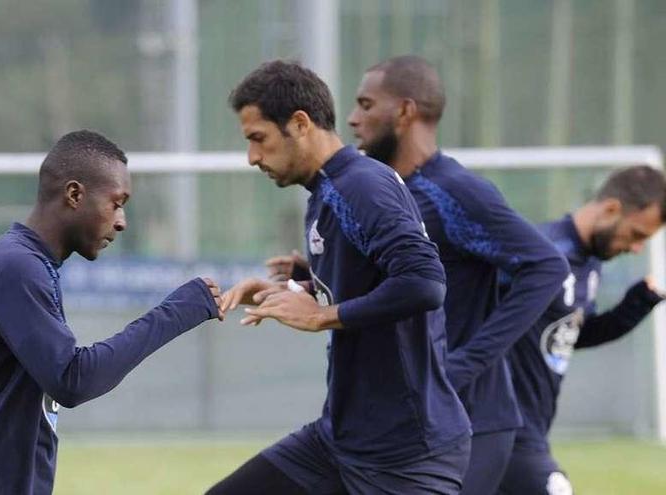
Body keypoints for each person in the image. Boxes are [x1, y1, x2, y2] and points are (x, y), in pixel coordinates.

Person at [0, 130, 224, 495]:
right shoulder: (18, 268)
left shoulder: (13, 263)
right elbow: (72, 379)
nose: (121, 221)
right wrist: (178, 311)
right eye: (116, 203)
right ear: (75, 195)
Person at [207, 60, 471, 495]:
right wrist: (292, 290)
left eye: (259, 139)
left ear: (299, 123)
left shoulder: (361, 185)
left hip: (405, 452)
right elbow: (368, 277)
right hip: (342, 438)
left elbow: (424, 282)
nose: (252, 157)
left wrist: (321, 316)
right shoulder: (325, 191)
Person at [307, 54, 565, 495]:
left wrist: (466, 363)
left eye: (366, 105)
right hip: (405, 422)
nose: (353, 119)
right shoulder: (386, 192)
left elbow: (545, 267)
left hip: (472, 420)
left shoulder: (453, 190)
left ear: (405, 112)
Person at [497, 166, 666, 495]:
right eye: (636, 235)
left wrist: (634, 306)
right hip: (504, 426)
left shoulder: (588, 264)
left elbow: (568, 335)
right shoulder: (541, 251)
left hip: (531, 430)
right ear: (611, 209)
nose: (636, 249)